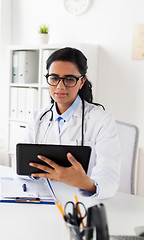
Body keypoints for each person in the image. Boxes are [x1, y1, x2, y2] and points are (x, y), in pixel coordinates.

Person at [24, 47, 121, 199]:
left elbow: (110, 176)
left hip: (82, 202)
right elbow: (21, 165)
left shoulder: (101, 121)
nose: (60, 86)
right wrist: (35, 173)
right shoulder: (37, 117)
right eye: (54, 78)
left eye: (69, 79)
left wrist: (86, 183)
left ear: (81, 81)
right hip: (43, 198)